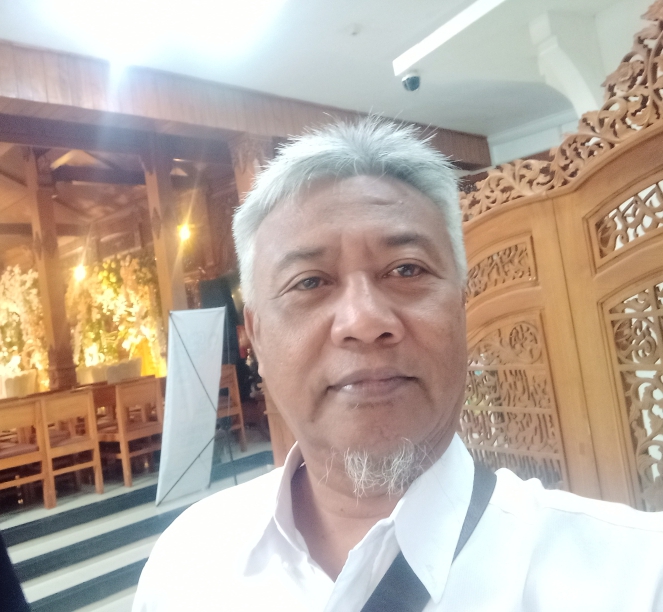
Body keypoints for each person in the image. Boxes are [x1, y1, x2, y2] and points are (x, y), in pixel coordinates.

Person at [133, 119, 663, 611]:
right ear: (257, 338)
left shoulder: (632, 577)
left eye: (406, 269)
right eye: (310, 282)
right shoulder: (187, 567)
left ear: (461, 305)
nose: (364, 321)